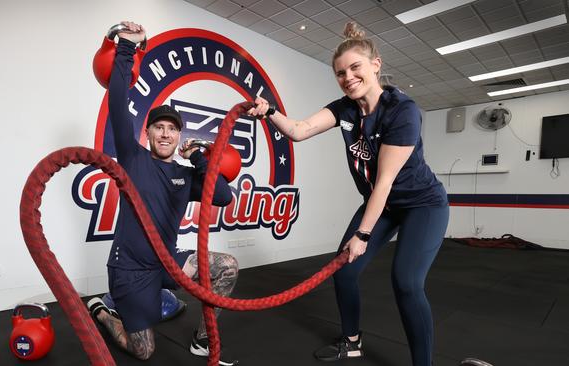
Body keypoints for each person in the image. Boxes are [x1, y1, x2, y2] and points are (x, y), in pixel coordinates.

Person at [246, 21, 449, 366]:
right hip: (381, 206)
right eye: (340, 73)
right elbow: (299, 130)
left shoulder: (403, 111)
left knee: (406, 282)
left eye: (355, 68)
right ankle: (351, 341)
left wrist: (362, 234)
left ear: (376, 65)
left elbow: (384, 182)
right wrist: (270, 113)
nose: (348, 77)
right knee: (345, 271)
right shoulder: (345, 109)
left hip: (422, 205)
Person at [86, 21, 239, 366]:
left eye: (172, 129)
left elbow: (223, 196)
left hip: (168, 262)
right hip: (131, 270)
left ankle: (203, 341)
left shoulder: (186, 174)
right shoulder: (133, 157)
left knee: (228, 266)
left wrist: (199, 156)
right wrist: (128, 47)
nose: (166, 134)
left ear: (178, 135)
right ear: (150, 132)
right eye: (160, 127)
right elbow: (117, 97)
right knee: (143, 351)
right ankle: (104, 312)